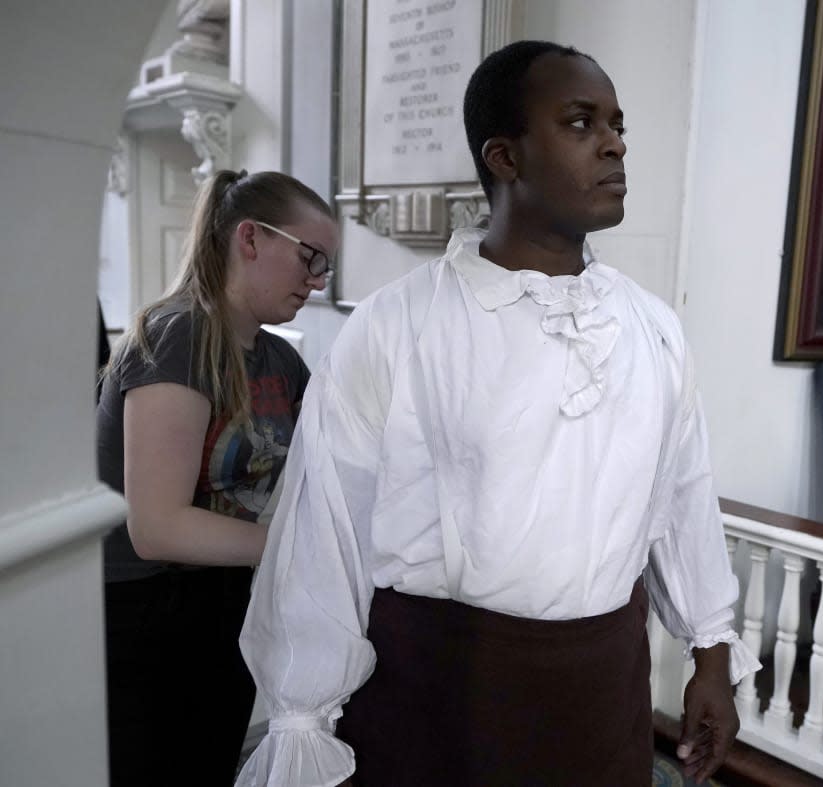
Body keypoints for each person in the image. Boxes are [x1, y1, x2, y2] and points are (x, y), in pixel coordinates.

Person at [235, 41, 759, 787]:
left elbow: (681, 496)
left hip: (601, 700)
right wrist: (301, 717)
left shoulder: (652, 329)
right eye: (581, 123)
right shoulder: (396, 328)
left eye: (617, 125)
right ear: (505, 157)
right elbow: (326, 538)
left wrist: (713, 654)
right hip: (439, 706)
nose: (613, 143)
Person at [97, 169, 339, 786]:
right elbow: (157, 526)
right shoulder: (179, 335)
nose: (316, 280)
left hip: (224, 596)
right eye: (310, 257)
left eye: (325, 267)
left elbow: (335, 459)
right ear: (251, 239)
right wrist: (302, 547)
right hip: (145, 607)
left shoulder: (280, 357)